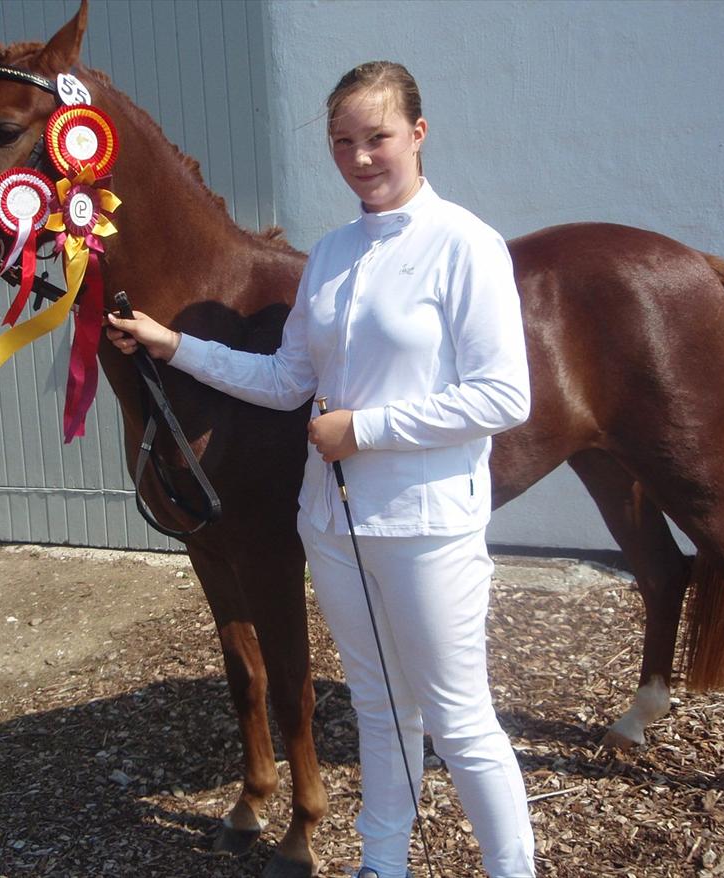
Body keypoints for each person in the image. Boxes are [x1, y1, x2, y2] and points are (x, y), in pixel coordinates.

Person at [106, 61, 535, 878]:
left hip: (427, 524)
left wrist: (364, 428)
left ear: (418, 133)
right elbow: (284, 380)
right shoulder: (333, 255)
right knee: (377, 706)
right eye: (344, 141)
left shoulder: (465, 245)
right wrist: (174, 345)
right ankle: (382, 863)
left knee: (459, 719)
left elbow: (503, 395)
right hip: (333, 525)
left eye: (378, 137)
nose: (361, 157)